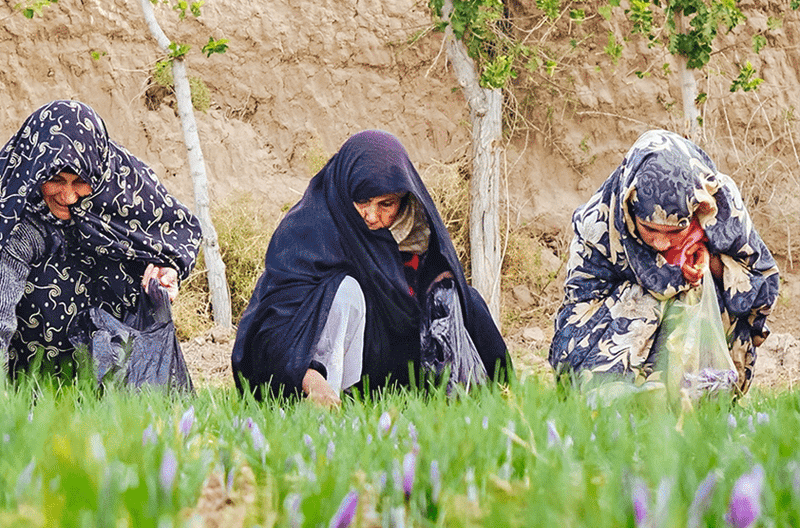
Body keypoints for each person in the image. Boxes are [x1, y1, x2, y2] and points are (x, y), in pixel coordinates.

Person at [0, 100, 202, 388]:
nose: (69, 196)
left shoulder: (123, 196)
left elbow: (173, 235)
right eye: (56, 180)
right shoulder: (16, 222)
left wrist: (167, 270)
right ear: (36, 171)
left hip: (122, 376)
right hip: (33, 382)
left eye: (79, 182)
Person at [231, 130, 508, 404]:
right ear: (345, 190)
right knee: (345, 292)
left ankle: (463, 402)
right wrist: (311, 380)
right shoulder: (307, 230)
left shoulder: (415, 232)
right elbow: (276, 325)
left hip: (389, 365)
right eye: (362, 201)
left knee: (455, 296)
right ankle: (328, 405)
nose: (372, 215)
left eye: (386, 204)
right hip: (300, 375)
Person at [549, 129, 780, 392]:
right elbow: (579, 310)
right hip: (621, 344)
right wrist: (664, 274)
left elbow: (762, 288)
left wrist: (709, 260)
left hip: (701, 340)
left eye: (675, 231)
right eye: (650, 229)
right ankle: (630, 401)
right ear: (629, 207)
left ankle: (703, 397)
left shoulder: (720, 204)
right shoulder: (600, 224)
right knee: (642, 296)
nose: (660, 243)